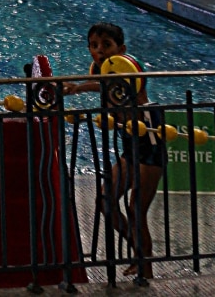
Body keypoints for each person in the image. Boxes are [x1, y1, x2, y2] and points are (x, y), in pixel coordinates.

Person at [63, 22, 162, 278]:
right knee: (106, 202)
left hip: (149, 140)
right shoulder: (102, 71)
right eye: (94, 46)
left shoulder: (128, 70)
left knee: (135, 209)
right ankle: (139, 253)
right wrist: (75, 87)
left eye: (106, 45)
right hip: (130, 146)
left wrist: (80, 87)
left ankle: (145, 266)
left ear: (122, 48)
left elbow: (112, 86)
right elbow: (100, 83)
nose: (99, 51)